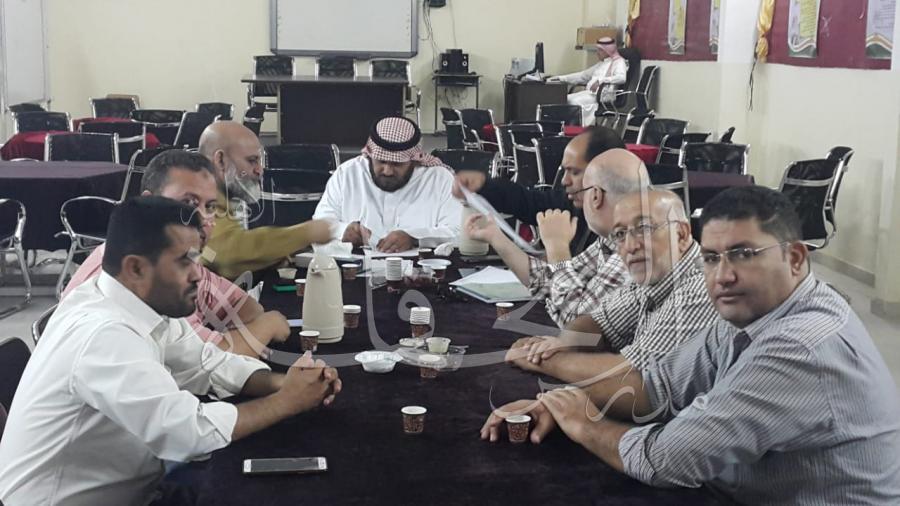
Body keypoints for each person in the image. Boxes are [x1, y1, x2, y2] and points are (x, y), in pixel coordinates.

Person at [481, 187, 900, 505]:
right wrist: (561, 402)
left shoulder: (800, 348)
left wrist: (583, 423)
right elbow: (658, 387)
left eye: (743, 254)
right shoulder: (751, 310)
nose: (723, 276)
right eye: (712, 257)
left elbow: (667, 460)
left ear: (795, 259)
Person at [0, 197, 342, 506]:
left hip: (140, 486)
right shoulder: (103, 334)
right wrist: (287, 402)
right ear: (136, 268)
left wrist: (287, 383)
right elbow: (186, 433)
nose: (198, 274)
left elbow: (205, 364)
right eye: (184, 262)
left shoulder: (136, 299)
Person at [62, 150, 289, 358]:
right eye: (188, 203)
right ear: (150, 202)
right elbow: (211, 360)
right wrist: (268, 325)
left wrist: (251, 332)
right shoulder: (128, 272)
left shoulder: (182, 258)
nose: (203, 219)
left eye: (210, 207)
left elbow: (244, 309)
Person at [507, 190, 717, 377]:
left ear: (681, 234)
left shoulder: (700, 287)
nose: (630, 245)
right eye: (620, 234)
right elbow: (596, 322)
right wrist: (562, 344)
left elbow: (634, 376)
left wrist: (545, 360)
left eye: (644, 228)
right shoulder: (653, 271)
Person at [463, 149, 648, 326]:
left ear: (596, 196)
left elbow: (577, 323)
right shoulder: (612, 238)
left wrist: (557, 247)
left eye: (583, 190)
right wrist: (496, 237)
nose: (565, 182)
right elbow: (549, 283)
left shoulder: (634, 249)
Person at [452, 126, 624, 256]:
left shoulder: (625, 237)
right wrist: (483, 185)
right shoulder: (575, 203)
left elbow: (568, 289)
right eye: (564, 171)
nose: (564, 181)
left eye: (575, 172)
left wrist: (557, 247)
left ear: (604, 173)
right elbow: (529, 202)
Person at [198, 121, 333, 280]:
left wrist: (270, 258)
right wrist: (307, 233)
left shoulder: (220, 196)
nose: (259, 170)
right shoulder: (195, 198)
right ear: (220, 160)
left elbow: (215, 258)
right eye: (252, 161)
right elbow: (226, 256)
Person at [313, 116, 462, 253]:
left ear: (413, 159)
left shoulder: (439, 179)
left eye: (397, 164)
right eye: (381, 161)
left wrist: (415, 238)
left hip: (419, 270)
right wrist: (342, 230)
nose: (388, 171)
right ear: (370, 154)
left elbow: (459, 231)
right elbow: (320, 223)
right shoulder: (347, 174)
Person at [550, 37, 628, 126]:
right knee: (564, 99)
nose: (597, 53)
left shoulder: (619, 62)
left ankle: (576, 130)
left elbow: (622, 78)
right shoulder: (602, 63)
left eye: (600, 50)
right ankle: (564, 129)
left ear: (608, 51)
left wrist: (600, 81)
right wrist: (560, 78)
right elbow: (583, 76)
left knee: (573, 102)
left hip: (604, 96)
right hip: (591, 93)